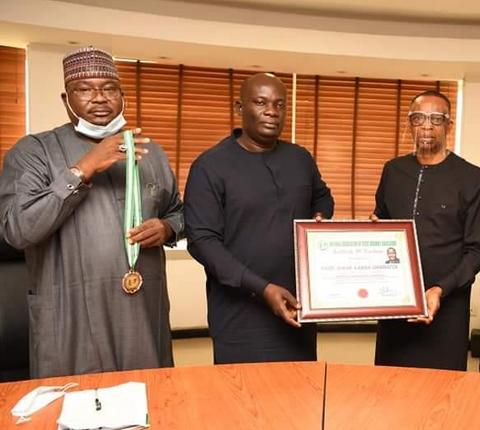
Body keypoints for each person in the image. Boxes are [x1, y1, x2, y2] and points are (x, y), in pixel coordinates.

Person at [0, 47, 183, 378]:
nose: (99, 98)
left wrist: (168, 228)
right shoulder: (33, 151)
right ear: (65, 98)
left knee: (150, 403)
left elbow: (179, 213)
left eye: (109, 88)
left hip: (141, 314)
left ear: (122, 95)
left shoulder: (150, 152)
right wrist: (82, 170)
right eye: (84, 89)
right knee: (75, 409)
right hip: (70, 317)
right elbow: (18, 229)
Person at [184, 73, 334, 364]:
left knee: (299, 396)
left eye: (279, 104)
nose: (271, 112)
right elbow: (203, 242)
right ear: (240, 108)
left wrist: (320, 217)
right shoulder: (210, 166)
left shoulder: (300, 158)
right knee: (245, 401)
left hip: (298, 307)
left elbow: (323, 197)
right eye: (261, 102)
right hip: (240, 314)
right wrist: (262, 288)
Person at [373, 90, 480, 371]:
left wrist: (440, 289)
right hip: (395, 302)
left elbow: (477, 251)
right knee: (389, 387)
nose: (427, 125)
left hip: (446, 306)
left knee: (440, 394)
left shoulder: (473, 178)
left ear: (448, 125)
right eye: (419, 118)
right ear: (409, 123)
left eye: (436, 118)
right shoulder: (393, 170)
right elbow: (382, 224)